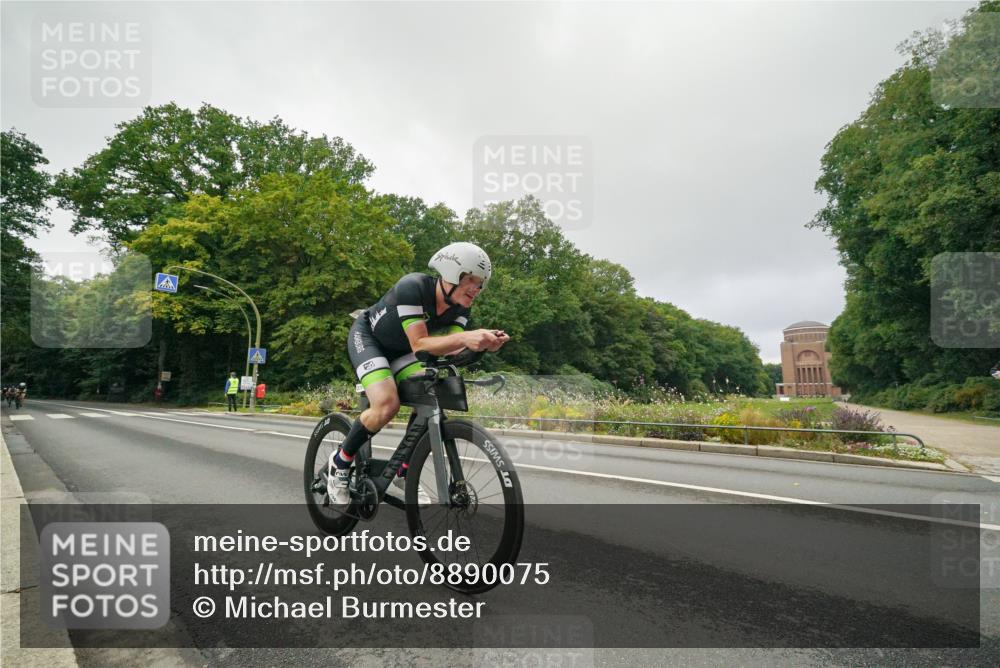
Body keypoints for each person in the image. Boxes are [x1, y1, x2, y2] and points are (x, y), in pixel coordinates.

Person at [329, 242, 509, 505]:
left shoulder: (461, 307)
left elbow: (451, 350)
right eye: (471, 280)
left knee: (431, 389)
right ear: (450, 274)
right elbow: (420, 345)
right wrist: (470, 336)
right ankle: (340, 463)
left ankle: (404, 470)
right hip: (370, 340)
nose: (476, 289)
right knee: (387, 404)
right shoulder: (413, 288)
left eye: (481, 283)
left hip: (405, 352)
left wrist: (482, 345)